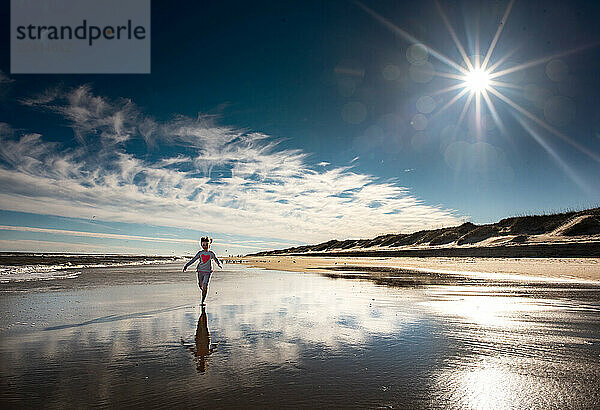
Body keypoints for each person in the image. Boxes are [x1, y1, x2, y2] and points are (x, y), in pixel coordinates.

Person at [183, 236, 222, 304]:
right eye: (203, 244)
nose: (205, 246)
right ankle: (203, 291)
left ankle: (203, 300)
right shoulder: (200, 253)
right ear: (201, 245)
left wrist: (219, 264)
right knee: (200, 284)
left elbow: (216, 259)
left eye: (206, 244)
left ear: (209, 244)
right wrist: (186, 265)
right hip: (200, 271)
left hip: (208, 272)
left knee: (205, 284)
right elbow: (193, 260)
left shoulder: (211, 253)